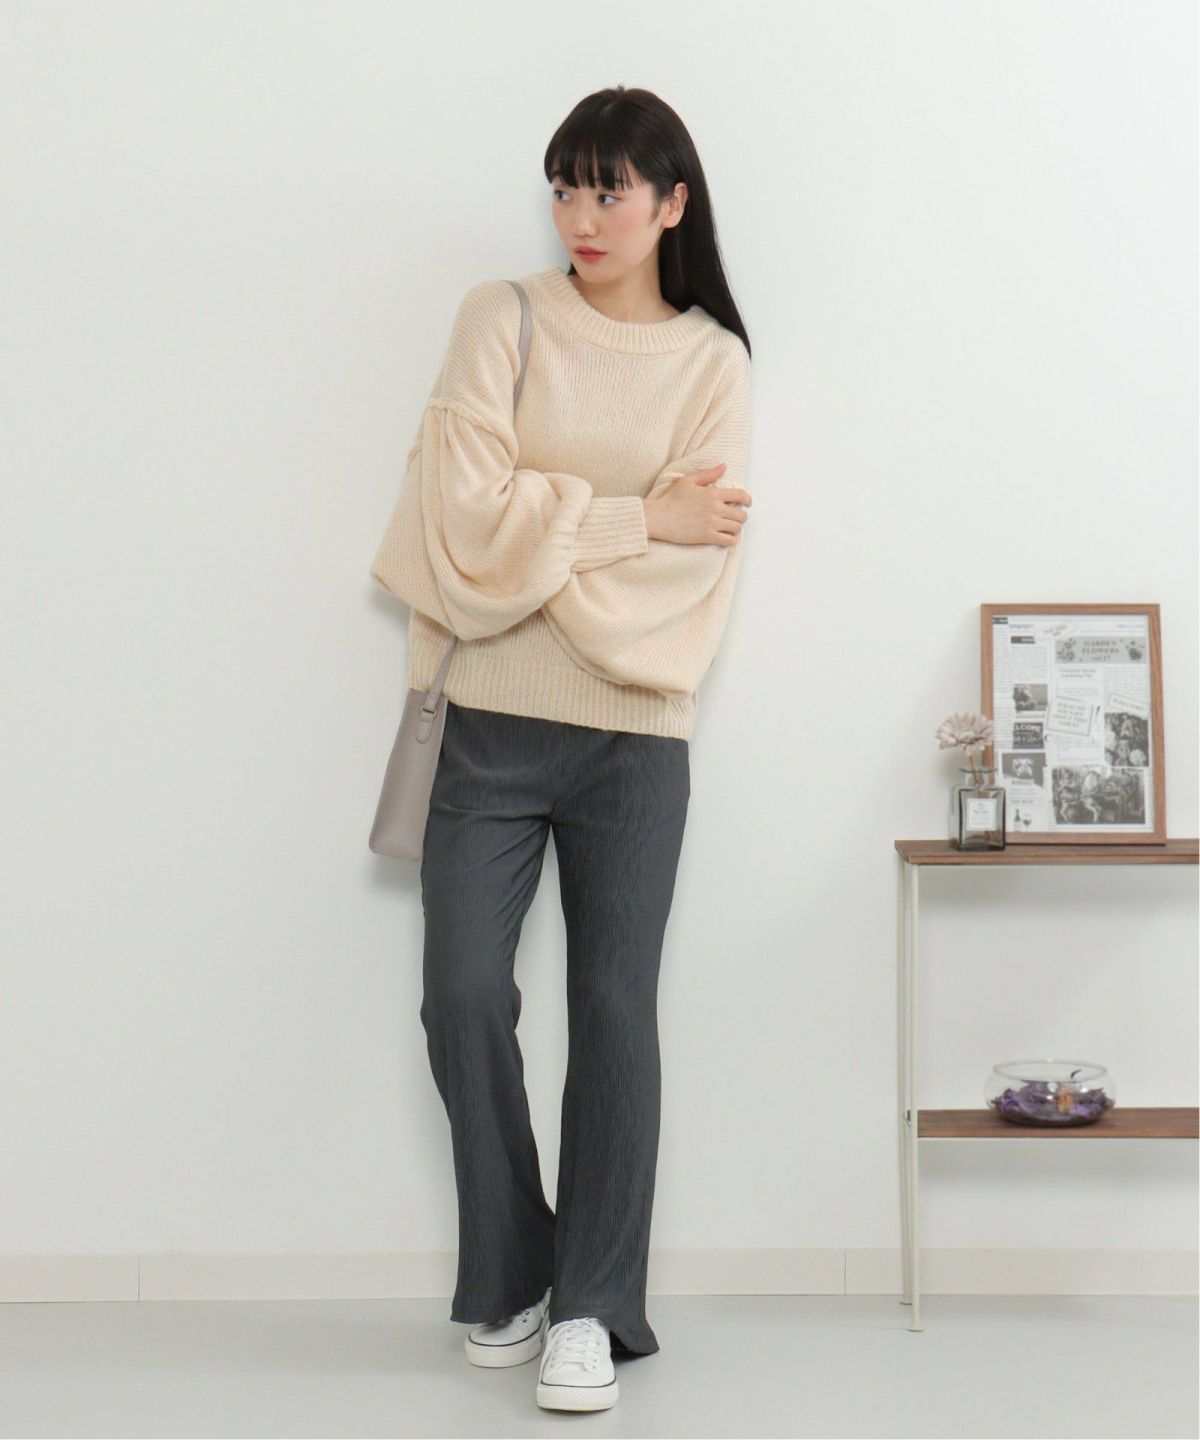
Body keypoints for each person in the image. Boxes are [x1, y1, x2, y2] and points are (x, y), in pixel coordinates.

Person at [369, 84, 754, 1413]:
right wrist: (632, 519)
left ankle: (591, 1308)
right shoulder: (504, 318)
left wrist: (541, 549)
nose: (581, 217)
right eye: (565, 188)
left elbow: (692, 574)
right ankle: (514, 1271)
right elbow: (458, 525)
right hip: (485, 722)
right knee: (463, 994)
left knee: (614, 1014)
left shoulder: (713, 363)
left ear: (672, 204)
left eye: (610, 191)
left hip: (635, 736)